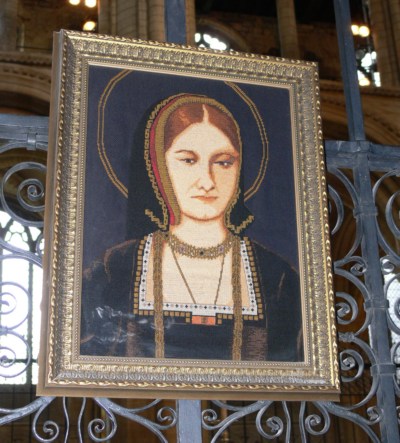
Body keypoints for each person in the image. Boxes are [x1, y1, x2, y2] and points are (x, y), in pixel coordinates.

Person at [81, 94, 303, 361]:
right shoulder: (115, 267)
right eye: (188, 160)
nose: (207, 181)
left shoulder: (276, 276)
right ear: (159, 167)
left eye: (223, 162)